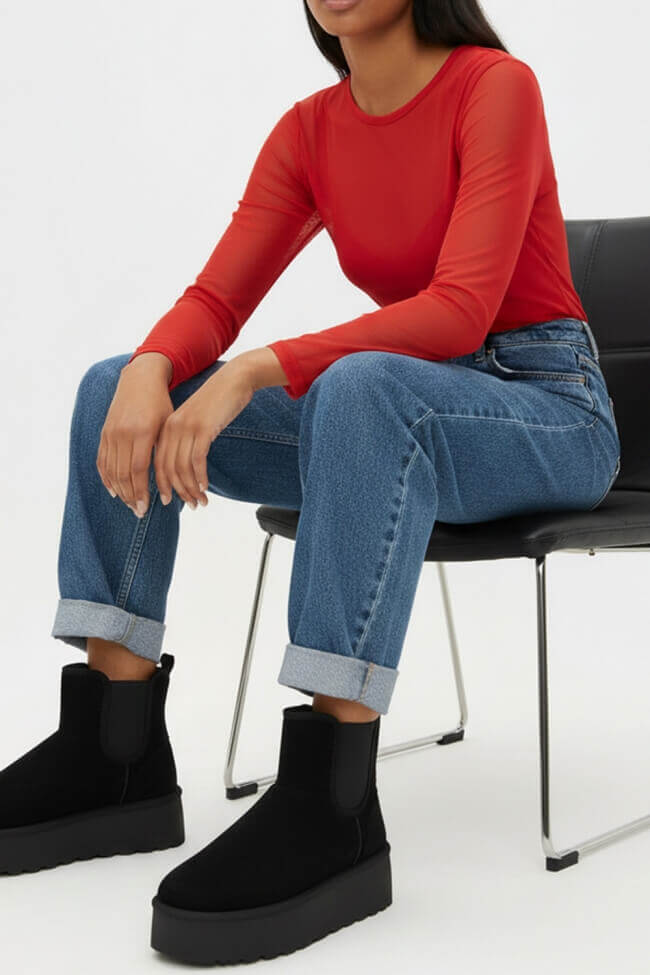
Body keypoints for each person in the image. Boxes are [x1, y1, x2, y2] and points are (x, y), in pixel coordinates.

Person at [0, 0, 621, 966]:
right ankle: (113, 749)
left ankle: (334, 800)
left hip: (546, 406)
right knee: (112, 388)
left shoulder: (494, 88)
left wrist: (257, 369)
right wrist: (154, 368)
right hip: (400, 406)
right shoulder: (310, 132)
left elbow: (460, 312)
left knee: (361, 390)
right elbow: (217, 298)